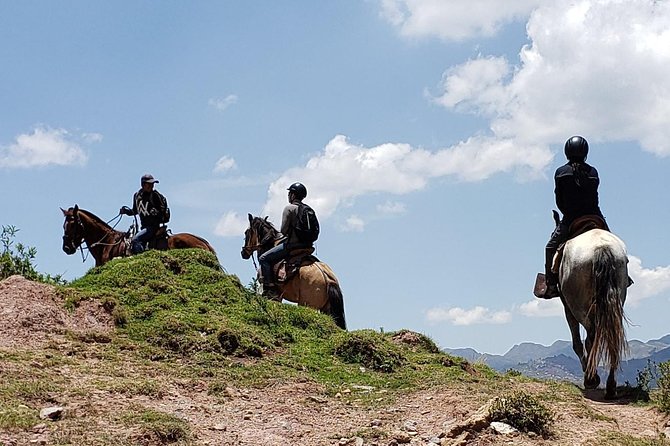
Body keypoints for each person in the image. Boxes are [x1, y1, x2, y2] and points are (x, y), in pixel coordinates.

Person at [540, 136, 606, 299]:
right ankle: (625, 277)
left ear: (567, 152)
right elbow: (595, 198)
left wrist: (566, 213)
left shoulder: (561, 172)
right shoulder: (593, 172)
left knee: (549, 248)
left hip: (571, 218)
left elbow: (560, 200)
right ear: (585, 153)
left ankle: (552, 284)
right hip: (595, 215)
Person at [259, 182, 315, 298]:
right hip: (308, 246)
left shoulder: (289, 209)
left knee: (263, 258)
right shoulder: (309, 210)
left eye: (290, 193)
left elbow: (283, 231)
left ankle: (270, 289)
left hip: (293, 246)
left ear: (293, 195)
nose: (289, 195)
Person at [120, 173, 170, 254]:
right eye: (149, 184)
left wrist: (156, 212)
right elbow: (135, 211)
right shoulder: (137, 196)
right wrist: (126, 212)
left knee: (135, 240)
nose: (151, 186)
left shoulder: (155, 196)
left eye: (152, 184)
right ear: (143, 184)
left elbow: (162, 212)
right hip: (144, 227)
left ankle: (142, 258)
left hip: (153, 227)